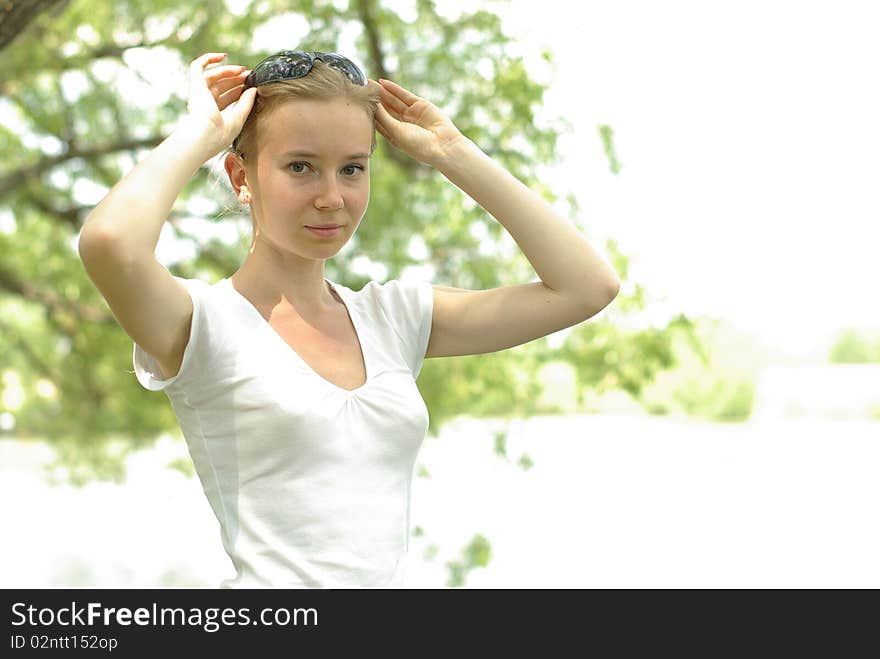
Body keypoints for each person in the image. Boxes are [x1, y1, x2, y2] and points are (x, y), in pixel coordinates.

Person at [77, 49, 621, 588]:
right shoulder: (203, 325)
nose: (332, 197)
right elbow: (110, 243)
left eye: (352, 168)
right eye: (300, 167)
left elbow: (586, 287)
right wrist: (201, 133)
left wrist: (453, 153)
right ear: (241, 176)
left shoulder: (394, 318)